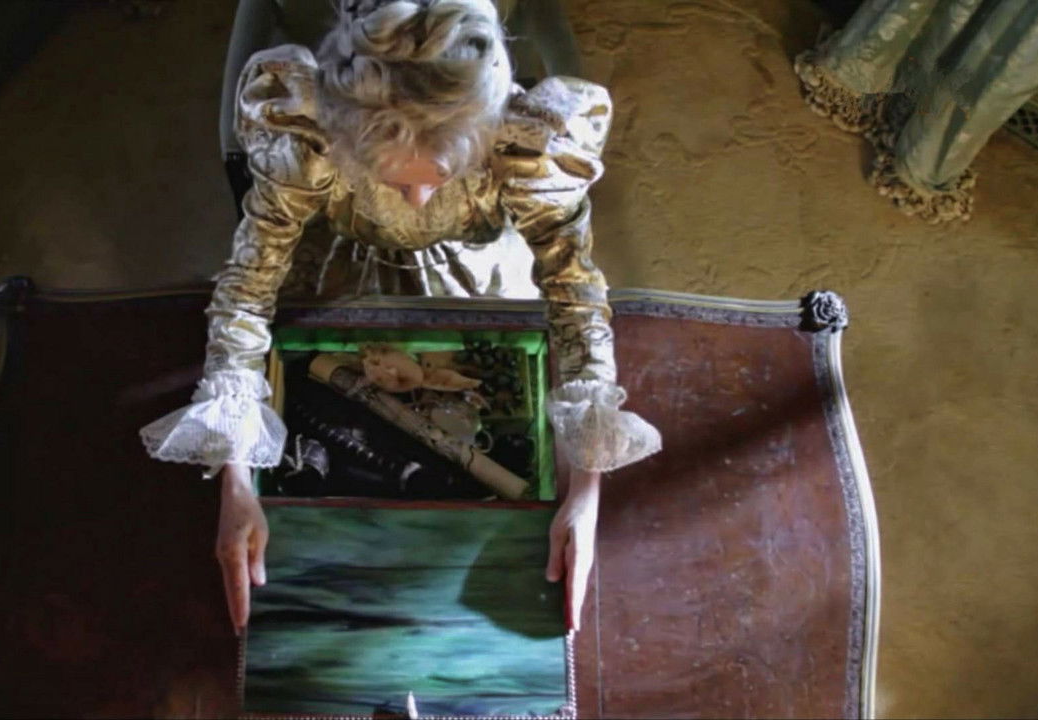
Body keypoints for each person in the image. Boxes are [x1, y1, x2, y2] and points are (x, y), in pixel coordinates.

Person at [140, 0, 661, 636]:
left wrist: (585, 491)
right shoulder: (311, 139)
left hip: (474, 258)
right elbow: (248, 289)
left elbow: (575, 295)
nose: (417, 198)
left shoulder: (525, 149)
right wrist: (237, 482)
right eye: (393, 178)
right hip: (341, 255)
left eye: (440, 174)